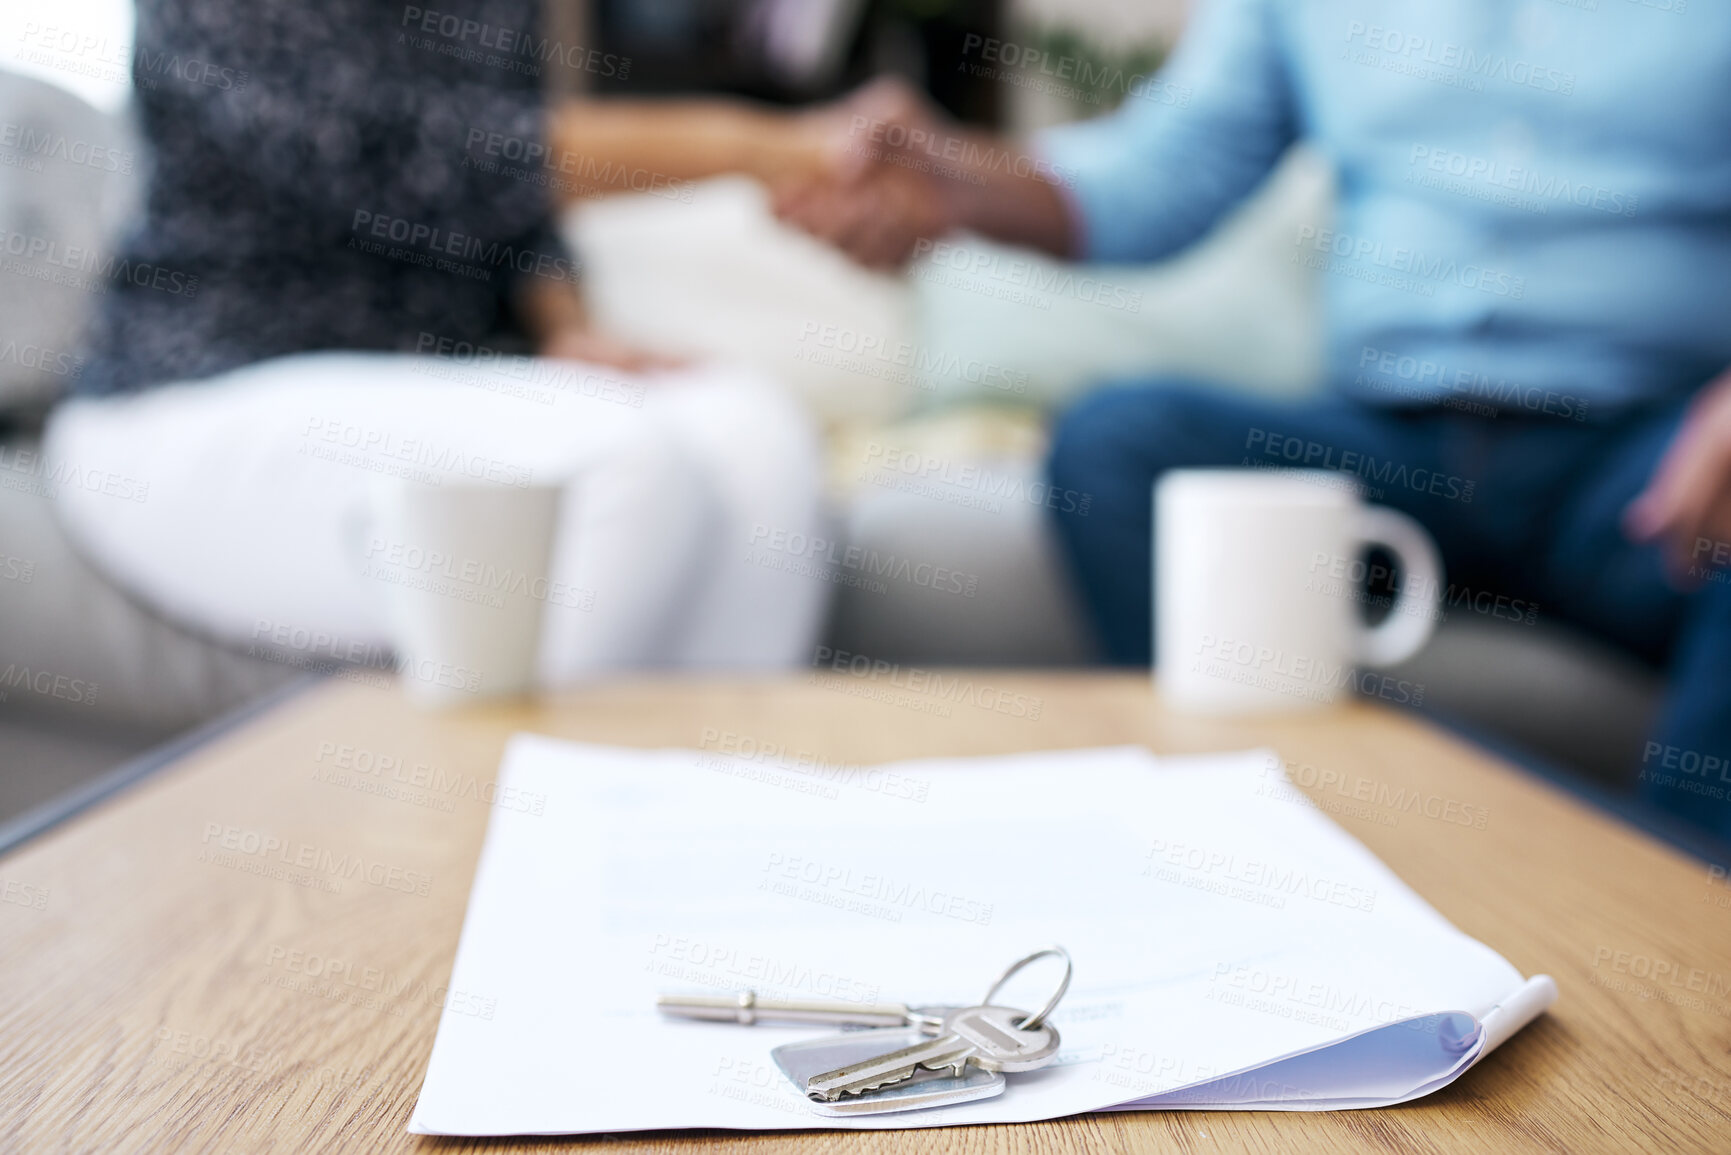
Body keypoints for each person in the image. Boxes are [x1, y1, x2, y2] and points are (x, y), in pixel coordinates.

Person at [774, 2, 1731, 838]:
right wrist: (954, 177)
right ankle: (1259, 843)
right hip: (1382, 445)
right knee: (1120, 442)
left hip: (1648, 465)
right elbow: (1158, 180)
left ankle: (1682, 913)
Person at [47, 0, 853, 680]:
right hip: (203, 391)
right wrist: (760, 148)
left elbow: (516, 220)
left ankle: (695, 820)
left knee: (757, 435)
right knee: (617, 467)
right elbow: (408, 151)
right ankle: (533, 822)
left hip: (439, 386)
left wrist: (569, 329)